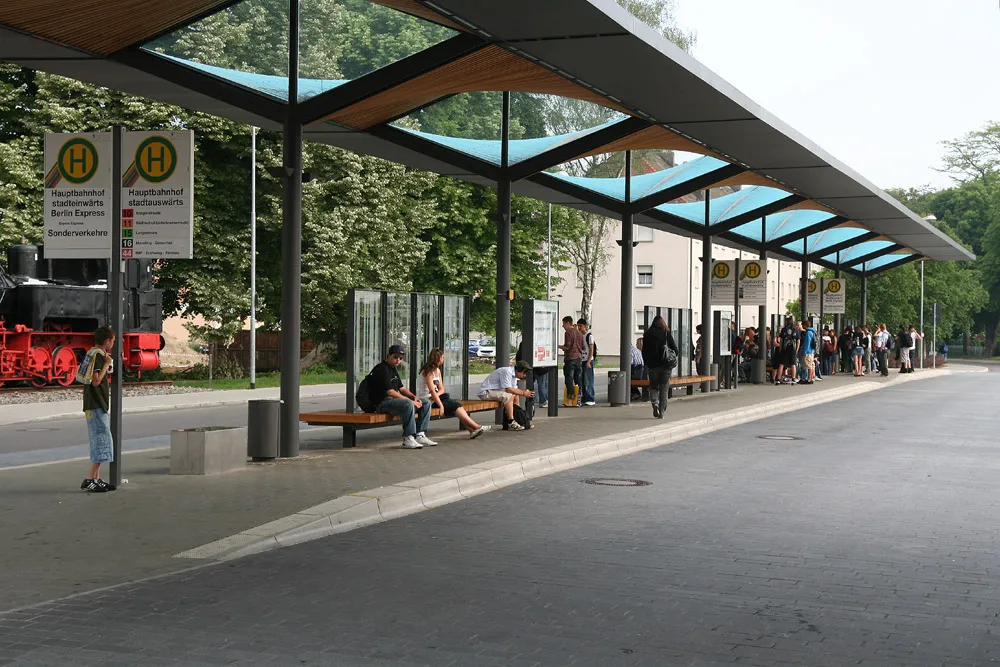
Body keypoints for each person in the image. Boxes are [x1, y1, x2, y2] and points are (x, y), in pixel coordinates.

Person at [368, 344, 436, 449]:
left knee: (426, 403)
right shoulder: (382, 369)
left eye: (400, 358)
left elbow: (402, 388)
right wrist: (410, 401)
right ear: (388, 356)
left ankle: (420, 434)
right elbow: (390, 392)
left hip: (393, 401)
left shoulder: (393, 369)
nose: (398, 360)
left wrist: (414, 397)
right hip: (382, 403)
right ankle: (408, 438)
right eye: (395, 357)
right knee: (407, 404)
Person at [420, 348, 489, 439]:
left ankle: (472, 430)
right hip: (428, 401)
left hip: (438, 397)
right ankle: (476, 427)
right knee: (455, 406)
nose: (443, 359)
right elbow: (432, 392)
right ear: (438, 358)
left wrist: (438, 394)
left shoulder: (437, 371)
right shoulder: (428, 372)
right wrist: (440, 406)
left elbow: (441, 389)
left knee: (456, 405)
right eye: (443, 357)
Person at [80, 326, 116, 492]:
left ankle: (97, 478)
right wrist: (107, 364)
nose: (113, 344)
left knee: (97, 437)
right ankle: (89, 479)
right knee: (102, 439)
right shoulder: (100, 356)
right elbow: (96, 381)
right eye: (113, 341)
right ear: (107, 341)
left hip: (90, 403)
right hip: (96, 403)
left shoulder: (90, 352)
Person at [477, 360, 533, 430]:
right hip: (485, 392)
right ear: (518, 370)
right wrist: (524, 393)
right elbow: (508, 389)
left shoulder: (514, 376)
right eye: (524, 373)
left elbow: (514, 391)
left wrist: (523, 392)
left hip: (494, 391)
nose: (524, 375)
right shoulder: (506, 372)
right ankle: (511, 422)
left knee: (515, 396)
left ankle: (519, 419)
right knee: (508, 397)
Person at [641, 315, 679, 419]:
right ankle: (662, 411)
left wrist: (647, 363)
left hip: (652, 366)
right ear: (662, 323)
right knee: (663, 388)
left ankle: (655, 404)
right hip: (665, 366)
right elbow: (675, 350)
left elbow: (644, 351)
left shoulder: (647, 334)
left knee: (653, 387)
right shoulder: (665, 333)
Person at [559, 316, 586, 407]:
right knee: (578, 379)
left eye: (563, 324)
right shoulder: (579, 333)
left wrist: (558, 346)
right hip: (579, 359)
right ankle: (579, 399)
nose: (563, 326)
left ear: (567, 323)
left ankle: (570, 401)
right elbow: (583, 346)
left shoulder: (568, 333)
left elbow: (567, 346)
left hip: (570, 359)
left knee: (569, 379)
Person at [774, 316, 799, 385]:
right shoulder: (795, 329)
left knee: (782, 364)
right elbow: (798, 341)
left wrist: (780, 349)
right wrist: (796, 349)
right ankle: (793, 379)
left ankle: (778, 379)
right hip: (793, 349)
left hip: (785, 349)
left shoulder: (784, 329)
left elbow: (781, 340)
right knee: (793, 364)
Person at [577, 319, 597, 406]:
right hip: (582, 360)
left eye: (580, 326)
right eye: (578, 326)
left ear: (585, 326)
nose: (579, 328)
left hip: (588, 360)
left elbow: (591, 349)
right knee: (582, 380)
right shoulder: (580, 336)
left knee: (589, 380)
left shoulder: (589, 336)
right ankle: (584, 397)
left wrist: (589, 361)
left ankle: (590, 398)